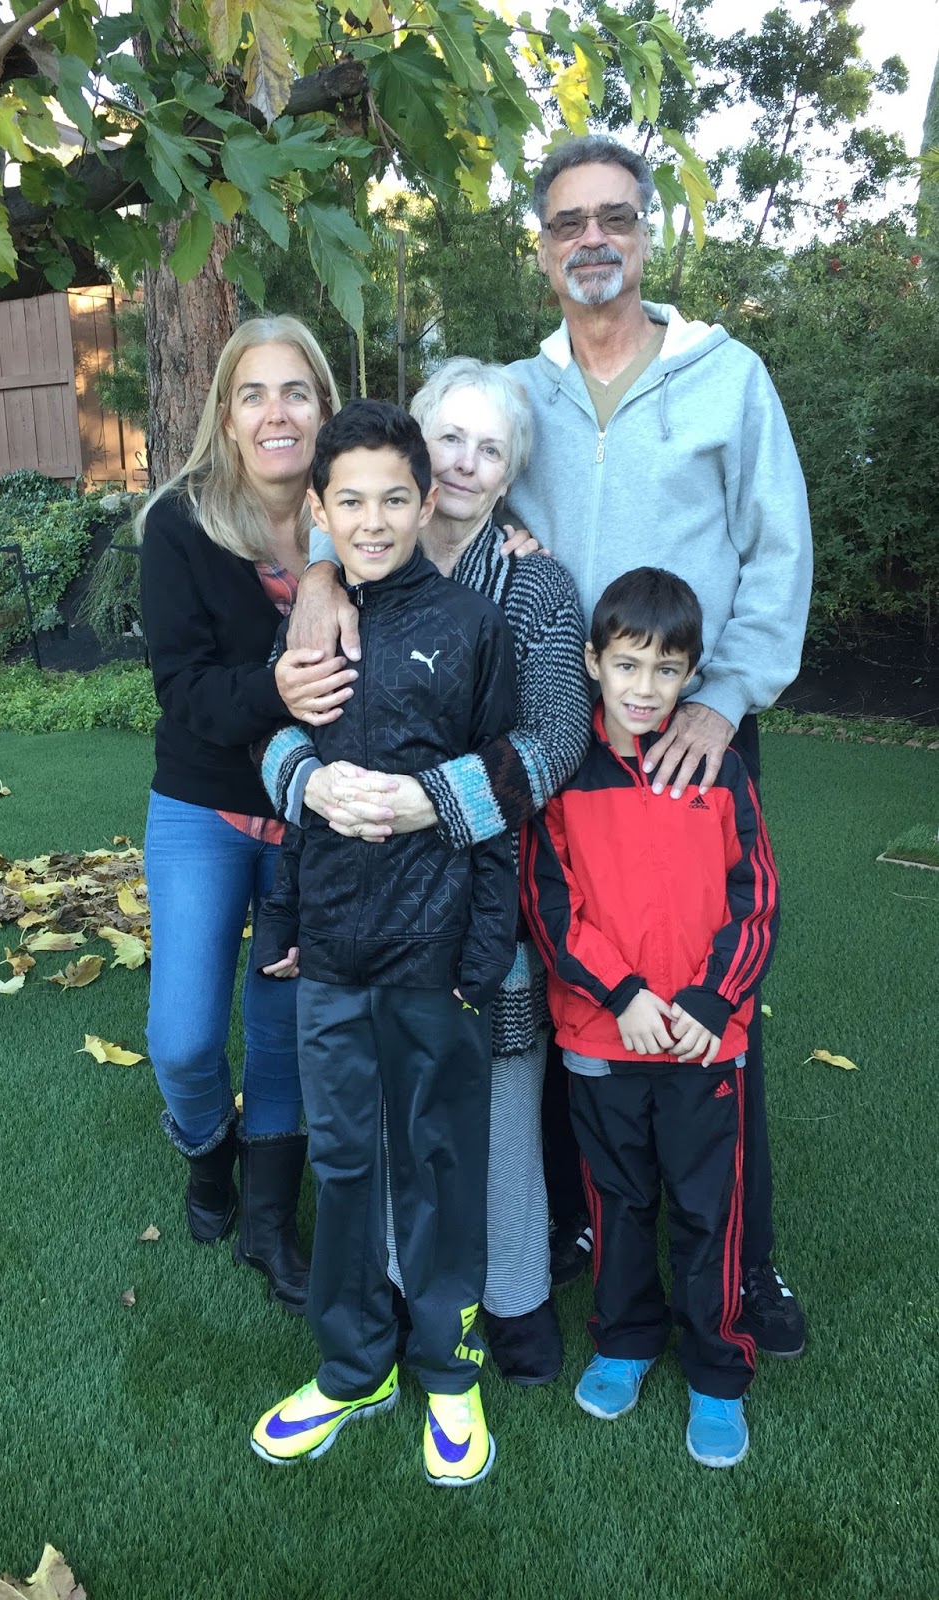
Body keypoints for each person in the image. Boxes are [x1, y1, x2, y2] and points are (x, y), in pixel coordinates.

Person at [282, 134, 813, 1356]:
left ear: (646, 233)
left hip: (690, 731)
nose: (593, 239)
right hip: (566, 749)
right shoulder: (515, 393)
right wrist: (317, 572)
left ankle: (748, 1266)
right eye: (569, 221)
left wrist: (728, 697)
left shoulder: (726, 377)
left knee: (712, 990)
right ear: (542, 246)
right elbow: (385, 496)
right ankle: (580, 1227)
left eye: (614, 217)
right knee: (585, 977)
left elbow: (778, 548)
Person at [261, 358, 590, 1385]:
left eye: (490, 449)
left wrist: (431, 801)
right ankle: (400, 1294)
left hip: (485, 885)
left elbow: (554, 740)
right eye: (450, 437)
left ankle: (515, 1292)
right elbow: (285, 722)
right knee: (377, 1113)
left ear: (510, 475)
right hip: (360, 906)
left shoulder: (530, 587)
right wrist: (319, 584)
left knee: (494, 1092)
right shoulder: (342, 582)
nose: (465, 462)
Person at [250, 400, 518, 1486]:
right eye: (350, 501)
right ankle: (354, 1364)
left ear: (426, 499)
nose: (372, 521)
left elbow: (504, 794)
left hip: (434, 957)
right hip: (331, 957)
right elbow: (275, 759)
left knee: (439, 1162)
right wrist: (289, 908)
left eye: (394, 499)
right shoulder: (306, 626)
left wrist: (481, 959)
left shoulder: (473, 627)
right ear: (319, 508)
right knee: (345, 1159)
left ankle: (448, 1367)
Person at [520, 567, 779, 1469]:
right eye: (627, 665)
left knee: (710, 1211)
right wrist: (624, 996)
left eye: (667, 670)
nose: (645, 687)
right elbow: (549, 903)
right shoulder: (565, 773)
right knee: (620, 1203)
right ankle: (625, 1339)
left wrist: (710, 1001)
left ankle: (718, 1368)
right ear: (593, 662)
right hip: (605, 1039)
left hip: (706, 1042)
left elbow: (755, 899)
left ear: (691, 675)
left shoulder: (721, 769)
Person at [136, 315, 340, 1315]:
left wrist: (510, 537)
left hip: (317, 817)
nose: (276, 413)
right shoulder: (180, 524)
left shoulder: (355, 513)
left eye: (295, 391)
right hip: (206, 804)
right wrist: (277, 689)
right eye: (253, 393)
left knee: (282, 1026)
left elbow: (453, 538)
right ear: (224, 414)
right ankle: (206, 1147)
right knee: (182, 1036)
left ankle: (267, 1222)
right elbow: (183, 691)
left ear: (323, 406)